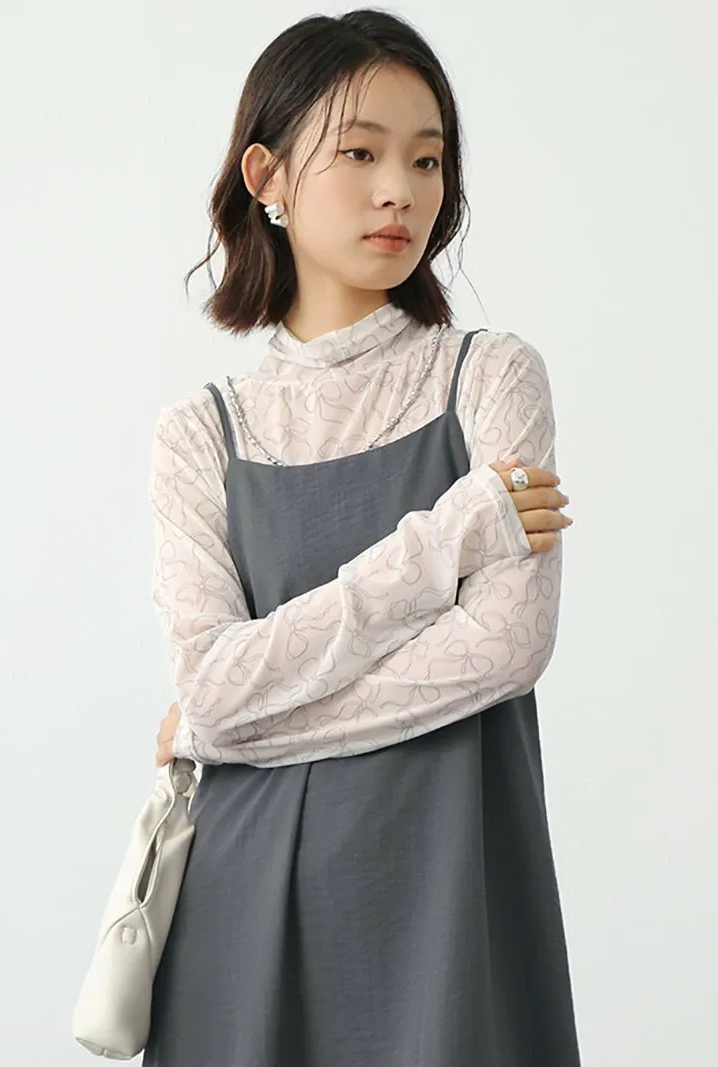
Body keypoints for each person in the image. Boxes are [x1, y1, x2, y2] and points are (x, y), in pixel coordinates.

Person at [143, 9, 580, 1066]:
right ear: (267, 176)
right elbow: (210, 682)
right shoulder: (200, 433)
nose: (401, 191)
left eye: (426, 160)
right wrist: (444, 541)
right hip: (240, 894)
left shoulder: (490, 377)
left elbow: (503, 650)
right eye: (359, 153)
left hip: (449, 885)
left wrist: (224, 727)